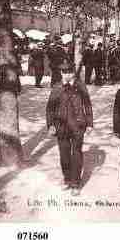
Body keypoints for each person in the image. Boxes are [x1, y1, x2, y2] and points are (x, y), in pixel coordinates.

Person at [46, 60, 93, 196]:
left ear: (73, 73)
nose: (67, 75)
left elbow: (87, 105)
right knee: (64, 154)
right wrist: (50, 125)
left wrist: (90, 123)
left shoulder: (80, 86)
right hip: (61, 126)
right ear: (61, 73)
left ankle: (76, 183)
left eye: (69, 72)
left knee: (76, 153)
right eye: (64, 72)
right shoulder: (57, 87)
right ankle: (67, 179)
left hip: (78, 125)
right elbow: (50, 108)